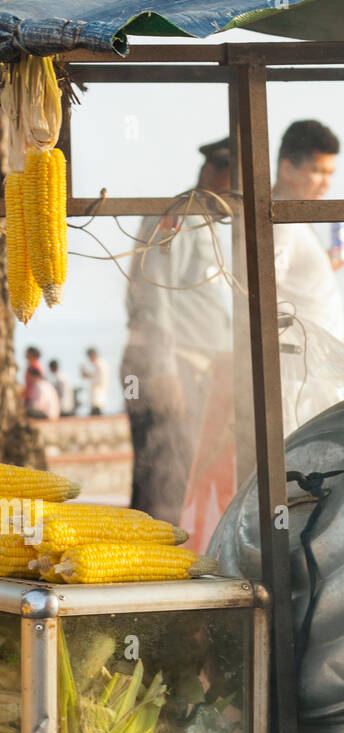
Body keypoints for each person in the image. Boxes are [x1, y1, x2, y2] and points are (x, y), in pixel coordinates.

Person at [120, 138, 233, 522]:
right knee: (165, 485)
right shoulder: (180, 216)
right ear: (215, 173)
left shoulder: (207, 223)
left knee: (180, 481)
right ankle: (148, 576)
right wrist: (165, 371)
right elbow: (154, 296)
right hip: (171, 366)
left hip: (195, 369)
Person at [272, 120, 344, 342]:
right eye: (318, 171)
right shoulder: (280, 221)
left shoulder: (292, 218)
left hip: (312, 368)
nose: (326, 184)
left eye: (330, 173)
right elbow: (261, 293)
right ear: (287, 169)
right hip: (300, 370)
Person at [80, 347, 110, 416]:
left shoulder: (100, 364)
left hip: (98, 393)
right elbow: (93, 376)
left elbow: (97, 379)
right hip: (97, 393)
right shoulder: (99, 364)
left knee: (96, 412)